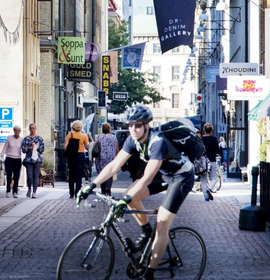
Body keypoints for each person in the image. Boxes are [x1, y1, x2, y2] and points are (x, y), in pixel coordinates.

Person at [77, 106, 194, 280]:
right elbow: (113, 165)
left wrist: (128, 199)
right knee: (128, 194)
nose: (133, 129)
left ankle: (150, 271)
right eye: (130, 125)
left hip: (180, 177)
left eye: (137, 126)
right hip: (163, 174)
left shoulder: (157, 141)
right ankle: (146, 232)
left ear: (147, 125)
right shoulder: (132, 140)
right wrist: (92, 185)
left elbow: (147, 178)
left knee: (162, 223)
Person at [64, 120, 89, 199]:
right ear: (81, 127)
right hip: (80, 155)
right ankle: (77, 192)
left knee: (71, 174)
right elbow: (87, 147)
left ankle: (71, 193)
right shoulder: (84, 136)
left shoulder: (70, 135)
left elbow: (65, 146)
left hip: (72, 156)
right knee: (79, 175)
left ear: (73, 126)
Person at [93, 123, 119, 196]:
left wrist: (92, 158)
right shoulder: (114, 137)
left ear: (102, 129)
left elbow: (94, 148)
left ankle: (103, 189)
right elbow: (117, 149)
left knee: (102, 174)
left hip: (100, 158)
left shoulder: (99, 137)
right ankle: (108, 189)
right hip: (111, 158)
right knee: (110, 174)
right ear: (109, 129)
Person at [21, 123, 44, 199]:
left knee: (35, 176)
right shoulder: (26, 139)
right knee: (30, 176)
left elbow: (42, 149)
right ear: (29, 129)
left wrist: (36, 147)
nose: (32, 130)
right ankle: (29, 189)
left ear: (36, 129)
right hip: (28, 160)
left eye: (34, 128)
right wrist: (29, 148)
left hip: (37, 159)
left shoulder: (39, 139)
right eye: (31, 128)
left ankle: (34, 192)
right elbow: (23, 150)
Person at [0, 125, 24, 198]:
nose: (16, 132)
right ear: (13, 131)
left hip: (17, 158)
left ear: (20, 131)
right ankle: (8, 191)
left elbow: (23, 149)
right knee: (9, 174)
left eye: (18, 130)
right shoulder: (9, 138)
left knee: (16, 176)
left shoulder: (22, 139)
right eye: (15, 130)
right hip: (9, 158)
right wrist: (1, 155)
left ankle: (15, 191)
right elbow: (5, 147)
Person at [200, 123, 220, 202]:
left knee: (203, 180)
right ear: (211, 130)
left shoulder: (201, 139)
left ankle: (206, 197)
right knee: (214, 178)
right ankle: (210, 188)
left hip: (203, 162)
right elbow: (217, 150)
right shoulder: (214, 139)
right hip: (212, 160)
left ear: (204, 130)